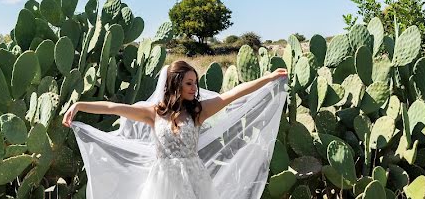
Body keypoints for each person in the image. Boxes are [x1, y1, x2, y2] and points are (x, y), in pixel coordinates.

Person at [63, 60, 288, 199]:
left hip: (194, 178)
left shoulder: (199, 111)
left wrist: (268, 78)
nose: (194, 88)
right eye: (189, 83)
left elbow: (233, 94)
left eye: (195, 83)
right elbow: (114, 108)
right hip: (163, 181)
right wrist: (79, 105)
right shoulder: (154, 113)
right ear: (175, 84)